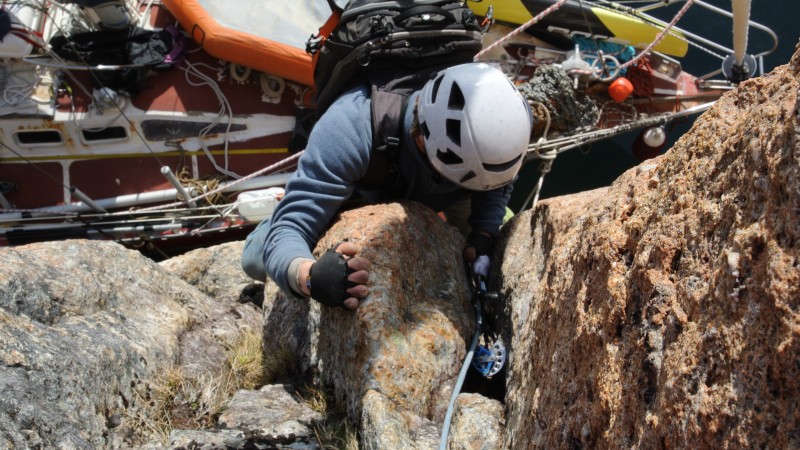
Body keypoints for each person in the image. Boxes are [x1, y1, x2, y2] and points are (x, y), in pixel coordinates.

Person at [242, 62, 532, 310]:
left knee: (500, 242)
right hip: (366, 188)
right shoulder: (351, 130)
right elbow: (290, 228)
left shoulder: (495, 133)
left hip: (452, 189)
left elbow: (497, 184)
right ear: (427, 146)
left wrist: (484, 232)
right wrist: (309, 275)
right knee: (256, 260)